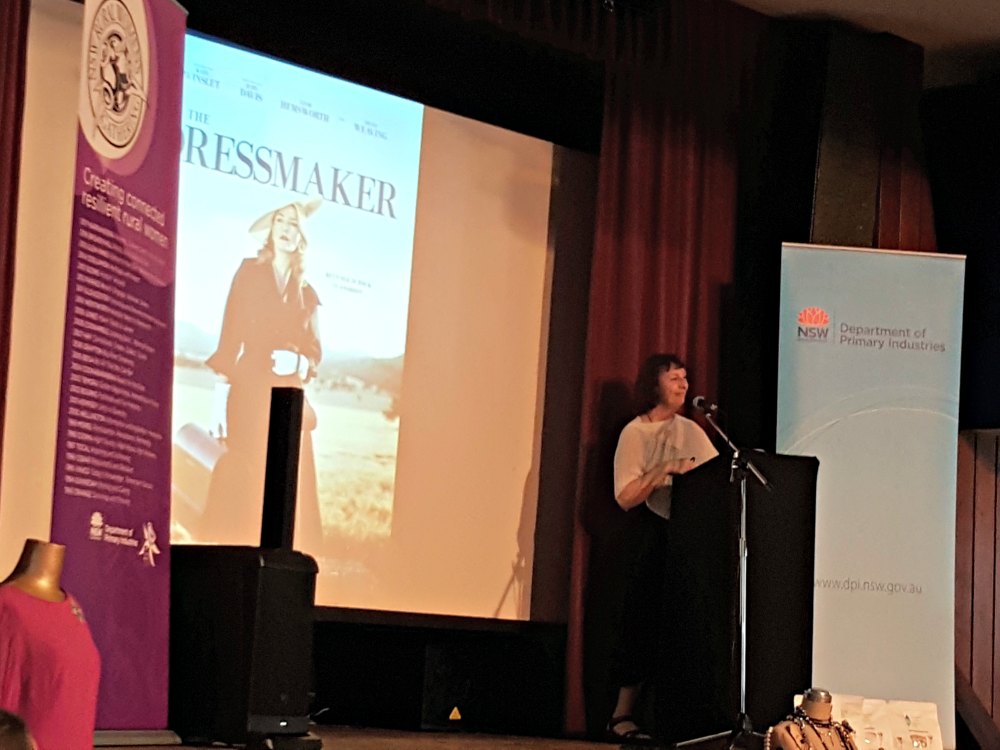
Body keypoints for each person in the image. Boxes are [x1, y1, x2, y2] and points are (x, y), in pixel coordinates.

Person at [606, 354, 718, 743]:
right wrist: (664, 469)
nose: (683, 385)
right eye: (674, 379)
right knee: (640, 623)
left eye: (686, 378)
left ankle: (675, 716)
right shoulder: (635, 434)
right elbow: (624, 496)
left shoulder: (693, 429)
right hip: (648, 536)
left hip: (688, 539)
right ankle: (622, 715)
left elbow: (715, 478)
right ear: (654, 385)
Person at [203, 198, 325, 551]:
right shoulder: (248, 272)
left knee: (288, 490)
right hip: (249, 390)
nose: (287, 230)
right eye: (281, 222)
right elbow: (230, 335)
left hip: (288, 401)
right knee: (246, 478)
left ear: (302, 236)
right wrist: (217, 399)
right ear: (271, 230)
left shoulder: (308, 293)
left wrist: (300, 364)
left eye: (294, 224)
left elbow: (315, 352)